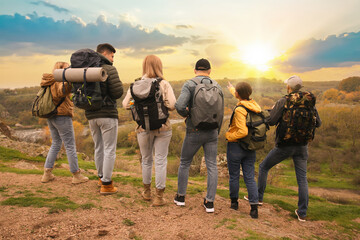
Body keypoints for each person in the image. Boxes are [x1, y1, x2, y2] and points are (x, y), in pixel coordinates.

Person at [257, 75, 322, 222]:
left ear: (289, 87)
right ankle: (302, 213)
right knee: (302, 179)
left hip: (284, 145)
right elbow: (318, 123)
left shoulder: (283, 101)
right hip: (302, 146)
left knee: (263, 167)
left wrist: (271, 111)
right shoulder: (310, 102)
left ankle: (258, 198)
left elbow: (271, 121)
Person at [122, 55, 176, 206]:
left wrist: (136, 101)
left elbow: (126, 104)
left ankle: (146, 192)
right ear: (159, 66)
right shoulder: (163, 83)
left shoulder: (135, 85)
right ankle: (159, 197)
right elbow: (172, 104)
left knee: (146, 160)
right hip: (163, 127)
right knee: (160, 160)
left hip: (142, 128)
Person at [174, 58, 224, 213]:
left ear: (195, 70)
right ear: (209, 71)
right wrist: (217, 130)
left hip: (194, 130)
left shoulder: (190, 84)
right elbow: (221, 112)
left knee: (184, 163)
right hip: (212, 132)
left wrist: (188, 114)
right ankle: (209, 202)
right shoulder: (218, 86)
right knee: (212, 166)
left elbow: (179, 106)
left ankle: (181, 197)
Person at [41, 62, 89, 184]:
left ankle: (47, 173)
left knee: (56, 143)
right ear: (60, 70)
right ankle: (76, 174)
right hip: (62, 116)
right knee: (70, 145)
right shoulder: (59, 81)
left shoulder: (49, 81)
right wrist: (70, 81)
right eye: (66, 68)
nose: (69, 70)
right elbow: (62, 90)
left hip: (51, 116)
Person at [86, 43, 123, 195]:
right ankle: (107, 184)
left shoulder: (87, 69)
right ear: (106, 53)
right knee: (110, 149)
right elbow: (117, 92)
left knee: (98, 147)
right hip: (107, 114)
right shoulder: (109, 69)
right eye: (112, 56)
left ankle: (101, 177)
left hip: (91, 115)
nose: (113, 59)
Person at [226, 82, 260, 218]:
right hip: (251, 146)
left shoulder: (240, 109)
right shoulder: (254, 105)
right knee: (250, 177)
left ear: (238, 94)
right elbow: (241, 97)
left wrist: (229, 136)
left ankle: (234, 203)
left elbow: (242, 132)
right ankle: (254, 208)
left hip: (236, 145)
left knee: (234, 176)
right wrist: (232, 89)